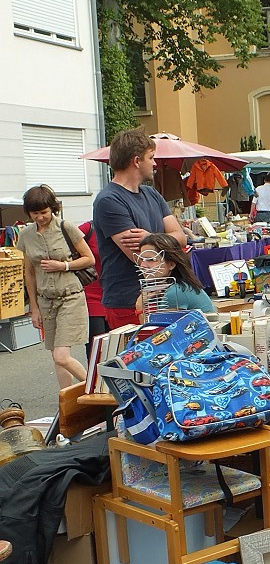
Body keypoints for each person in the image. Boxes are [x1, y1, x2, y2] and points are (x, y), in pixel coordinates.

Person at [93, 128, 186, 328]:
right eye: (151, 158)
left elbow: (181, 237)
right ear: (136, 161)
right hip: (128, 302)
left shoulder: (152, 194)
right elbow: (144, 260)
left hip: (160, 297)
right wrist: (162, 241)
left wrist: (150, 238)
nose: (154, 164)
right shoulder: (109, 201)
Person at [18, 185, 95, 388]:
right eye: (35, 213)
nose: (40, 217)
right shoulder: (26, 235)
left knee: (62, 356)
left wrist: (63, 265)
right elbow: (29, 273)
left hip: (70, 297)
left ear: (52, 208)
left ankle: (97, 391)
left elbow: (90, 259)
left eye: (44, 212)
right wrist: (33, 308)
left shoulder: (66, 227)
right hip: (46, 301)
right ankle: (67, 406)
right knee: (56, 356)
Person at [135, 233, 214, 314]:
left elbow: (159, 326)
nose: (142, 265)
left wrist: (140, 307)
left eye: (151, 260)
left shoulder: (176, 292)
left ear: (171, 265)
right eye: (142, 259)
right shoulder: (179, 286)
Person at [78, 221, 108, 361]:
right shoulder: (88, 229)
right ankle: (94, 380)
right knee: (96, 344)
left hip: (115, 293)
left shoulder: (125, 229)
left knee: (116, 344)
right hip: (91, 293)